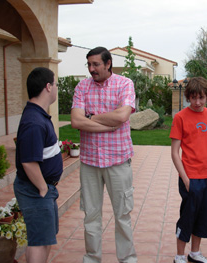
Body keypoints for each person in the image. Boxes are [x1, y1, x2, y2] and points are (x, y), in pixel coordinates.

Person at [71, 46, 137, 263]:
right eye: (89, 64)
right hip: (90, 162)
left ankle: (127, 259)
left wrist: (91, 116)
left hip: (118, 160)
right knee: (91, 215)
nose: (91, 69)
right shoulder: (82, 87)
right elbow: (76, 121)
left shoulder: (124, 84)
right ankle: (92, 259)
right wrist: (108, 124)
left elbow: (122, 115)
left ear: (108, 64)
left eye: (96, 64)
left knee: (122, 215)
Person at [170, 77, 207, 263]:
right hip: (191, 177)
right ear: (188, 97)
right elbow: (175, 153)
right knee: (187, 216)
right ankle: (179, 256)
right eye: (193, 98)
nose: (197, 102)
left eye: (201, 97)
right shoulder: (180, 117)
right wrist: (185, 179)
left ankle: (195, 253)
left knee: (203, 215)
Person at [14, 67, 63, 263]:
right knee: (38, 241)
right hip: (36, 190)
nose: (57, 89)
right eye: (56, 84)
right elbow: (28, 161)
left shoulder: (38, 115)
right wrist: (43, 188)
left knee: (45, 239)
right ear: (48, 86)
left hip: (43, 189)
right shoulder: (34, 122)